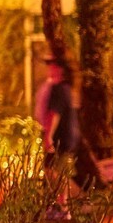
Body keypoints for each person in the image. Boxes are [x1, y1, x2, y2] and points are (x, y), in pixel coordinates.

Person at [38, 56, 85, 192]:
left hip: (59, 141)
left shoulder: (58, 88)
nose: (49, 69)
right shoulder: (67, 88)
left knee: (53, 174)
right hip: (68, 140)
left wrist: (48, 136)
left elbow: (54, 113)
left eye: (52, 65)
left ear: (61, 69)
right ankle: (67, 205)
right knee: (60, 173)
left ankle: (80, 201)